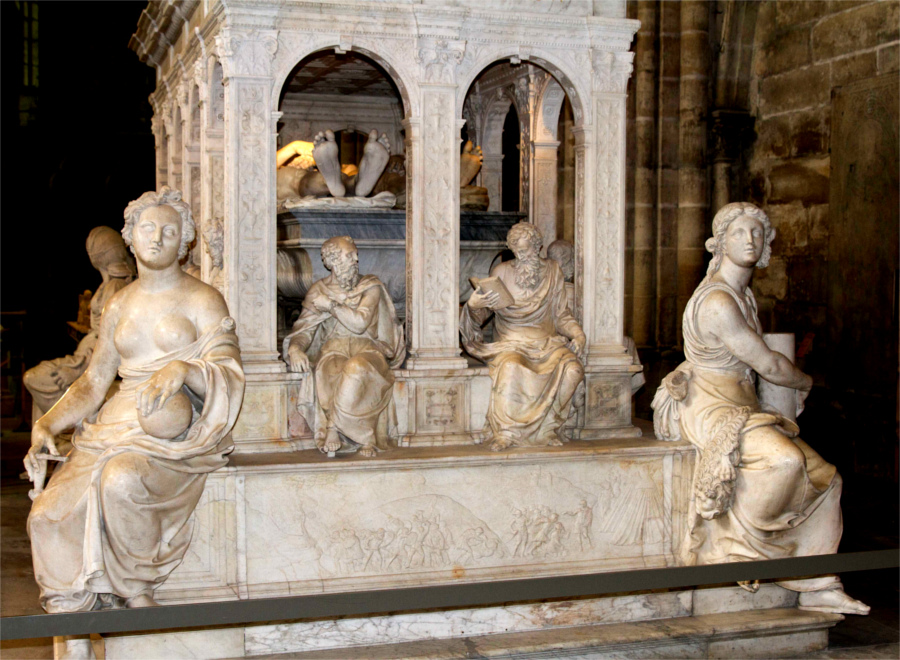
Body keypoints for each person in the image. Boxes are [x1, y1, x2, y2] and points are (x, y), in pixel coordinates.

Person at [25, 187, 245, 658]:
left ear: (184, 239)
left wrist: (186, 369)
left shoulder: (204, 299)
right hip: (113, 424)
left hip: (171, 434)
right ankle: (74, 628)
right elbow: (93, 381)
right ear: (131, 236)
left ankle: (134, 591)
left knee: (121, 480)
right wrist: (48, 422)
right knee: (46, 515)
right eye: (148, 228)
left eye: (170, 230)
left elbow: (228, 370)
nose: (158, 237)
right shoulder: (120, 303)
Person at [652, 202, 869, 615]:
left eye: (757, 233)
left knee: (829, 478)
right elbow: (768, 364)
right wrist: (805, 382)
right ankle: (735, 548)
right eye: (739, 233)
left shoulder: (742, 294)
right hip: (712, 405)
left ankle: (818, 582)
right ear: (719, 244)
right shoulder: (718, 301)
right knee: (785, 462)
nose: (750, 240)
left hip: (744, 403)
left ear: (767, 244)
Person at [460, 222, 586, 451]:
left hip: (547, 342)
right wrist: (473, 305)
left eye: (526, 250)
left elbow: (561, 315)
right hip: (512, 342)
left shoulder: (553, 271)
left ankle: (549, 427)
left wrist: (577, 334)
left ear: (538, 247)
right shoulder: (501, 272)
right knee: (511, 368)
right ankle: (507, 433)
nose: (521, 256)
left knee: (573, 370)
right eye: (516, 251)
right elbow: (482, 315)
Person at [282, 236, 405, 457]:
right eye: (349, 255)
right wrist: (295, 349)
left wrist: (330, 305)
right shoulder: (318, 291)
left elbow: (359, 324)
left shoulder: (370, 286)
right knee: (331, 370)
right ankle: (361, 436)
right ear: (332, 261)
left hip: (368, 349)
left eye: (355, 254)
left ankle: (333, 427)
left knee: (356, 368)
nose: (356, 259)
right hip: (334, 350)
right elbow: (304, 331)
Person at [24, 227, 135, 416]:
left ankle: (67, 429)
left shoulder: (115, 287)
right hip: (88, 355)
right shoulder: (110, 285)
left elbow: (111, 341)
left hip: (93, 360)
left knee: (35, 378)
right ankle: (59, 433)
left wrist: (79, 371)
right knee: (36, 378)